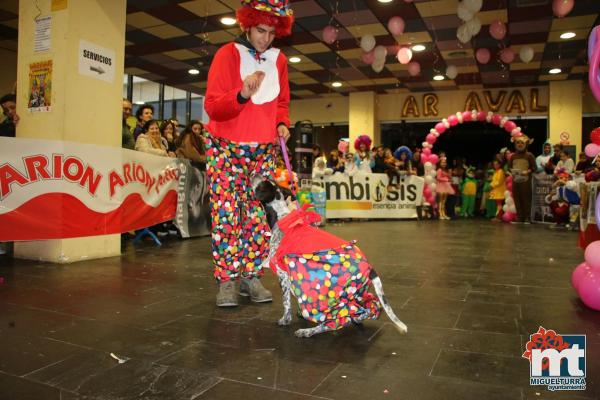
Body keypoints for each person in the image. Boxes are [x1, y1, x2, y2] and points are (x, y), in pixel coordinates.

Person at [203, 0, 293, 307]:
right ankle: (227, 279)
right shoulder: (227, 54)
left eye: (271, 32)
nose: (265, 38)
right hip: (224, 148)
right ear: (247, 25)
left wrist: (282, 123)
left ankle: (251, 276)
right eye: (260, 30)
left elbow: (281, 103)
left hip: (263, 152)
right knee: (227, 214)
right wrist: (242, 93)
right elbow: (213, 107)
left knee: (256, 217)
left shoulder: (279, 60)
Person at [509, 135, 536, 224]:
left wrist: (527, 171)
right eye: (518, 143)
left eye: (522, 143)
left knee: (526, 199)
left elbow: (534, 168)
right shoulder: (513, 156)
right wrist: (511, 172)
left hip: (526, 181)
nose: (520, 144)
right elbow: (509, 167)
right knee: (517, 199)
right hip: (515, 181)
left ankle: (527, 218)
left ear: (526, 144)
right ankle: (520, 217)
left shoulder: (529, 155)